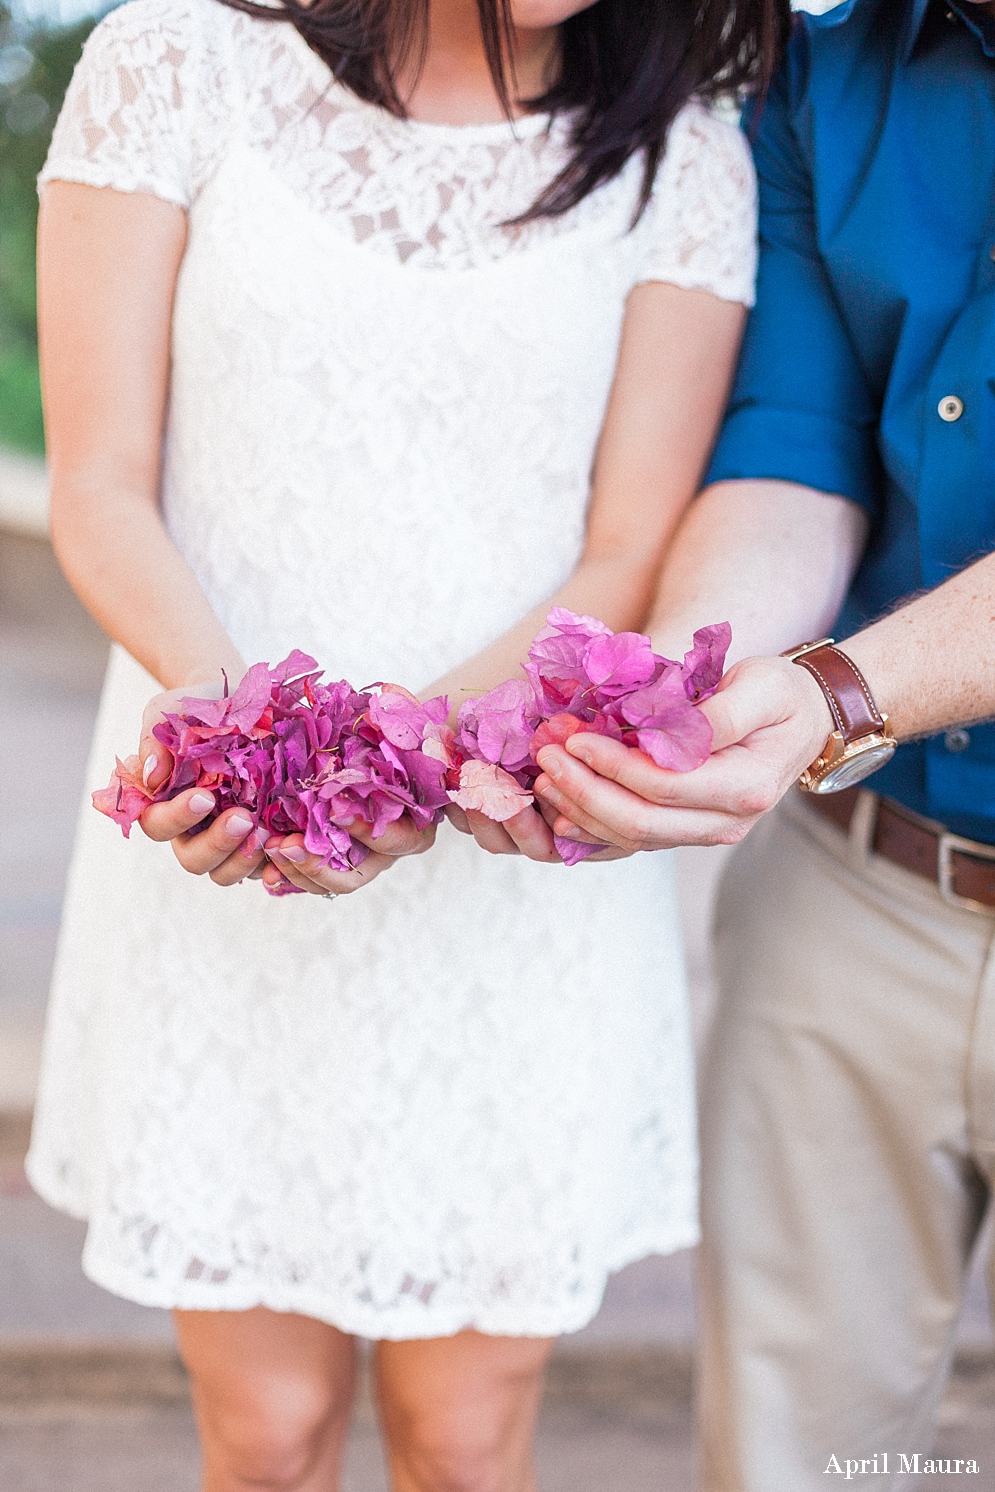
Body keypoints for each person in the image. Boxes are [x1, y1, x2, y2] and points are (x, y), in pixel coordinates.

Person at [26, 0, 788, 1487]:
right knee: (268, 1431)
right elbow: (101, 481)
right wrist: (233, 726)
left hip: (504, 855)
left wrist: (408, 768)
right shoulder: (169, 64)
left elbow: (625, 549)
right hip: (224, 859)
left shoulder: (687, 155)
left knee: (464, 1436)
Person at [524, 0, 995, 1485]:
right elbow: (796, 436)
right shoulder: (820, 69)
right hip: (852, 891)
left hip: (850, 744)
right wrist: (682, 686)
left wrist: (838, 695)